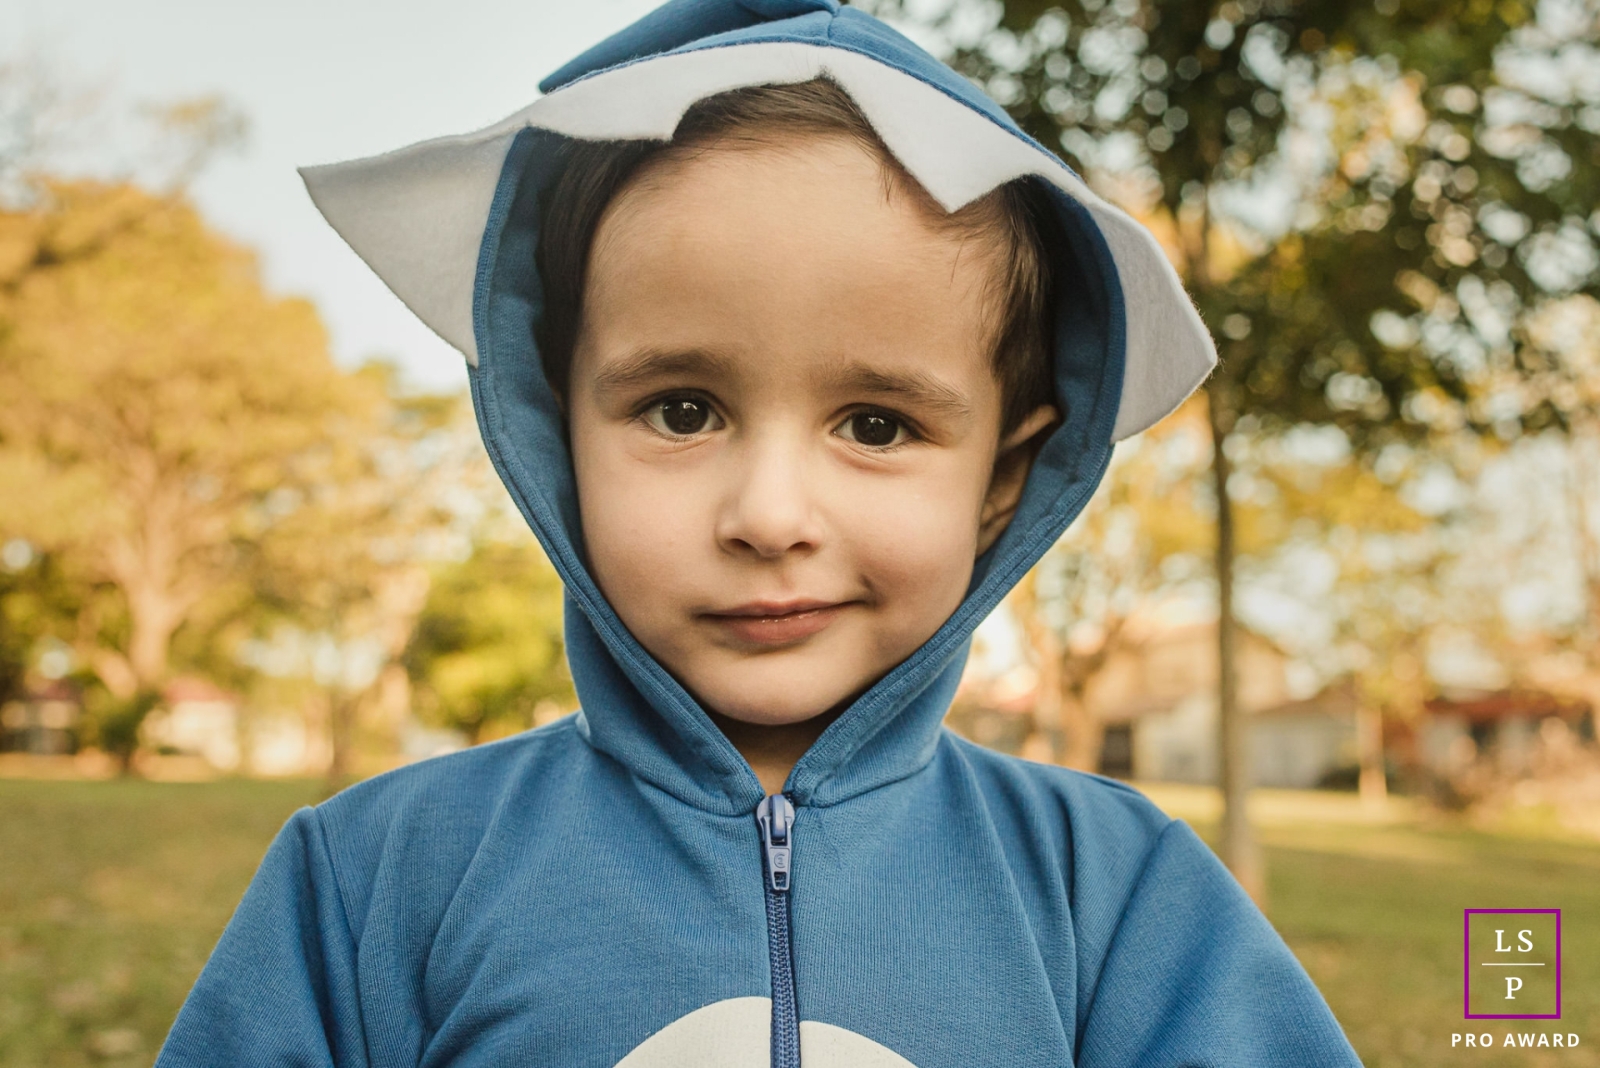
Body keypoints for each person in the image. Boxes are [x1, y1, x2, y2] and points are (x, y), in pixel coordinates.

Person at [158, 1, 1362, 1065]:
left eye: (877, 425)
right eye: (682, 411)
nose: (770, 516)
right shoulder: (374, 879)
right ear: (549, 427)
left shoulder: (1116, 894)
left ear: (1003, 479)